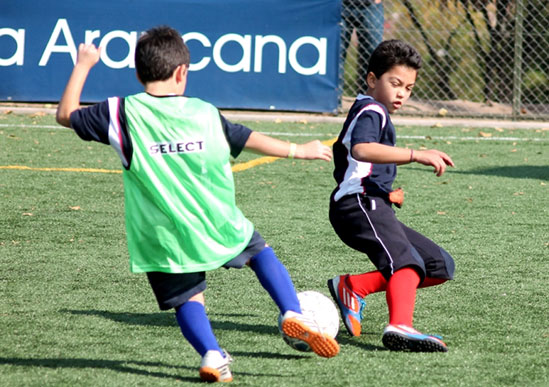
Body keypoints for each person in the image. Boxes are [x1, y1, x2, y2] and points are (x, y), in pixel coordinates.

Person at [56, 25, 339, 383]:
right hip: (217, 222)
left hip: (163, 237)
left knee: (189, 299)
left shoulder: (120, 113)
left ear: (139, 72)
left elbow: (66, 114)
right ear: (181, 72)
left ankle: (211, 354)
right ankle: (290, 311)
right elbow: (244, 136)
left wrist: (83, 64)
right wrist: (299, 150)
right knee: (260, 253)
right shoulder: (204, 112)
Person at [327, 40, 455, 352]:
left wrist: (386, 192)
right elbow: (361, 149)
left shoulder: (376, 110)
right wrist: (415, 154)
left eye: (409, 88)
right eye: (395, 83)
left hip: (371, 201)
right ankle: (401, 326)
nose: (402, 93)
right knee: (405, 262)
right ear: (373, 79)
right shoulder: (372, 110)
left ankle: (353, 287)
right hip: (357, 204)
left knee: (437, 264)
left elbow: (363, 160)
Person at [340, 0, 385, 95]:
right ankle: (332, 102)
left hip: (371, 6)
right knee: (336, 53)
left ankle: (366, 102)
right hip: (340, 5)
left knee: (373, 56)